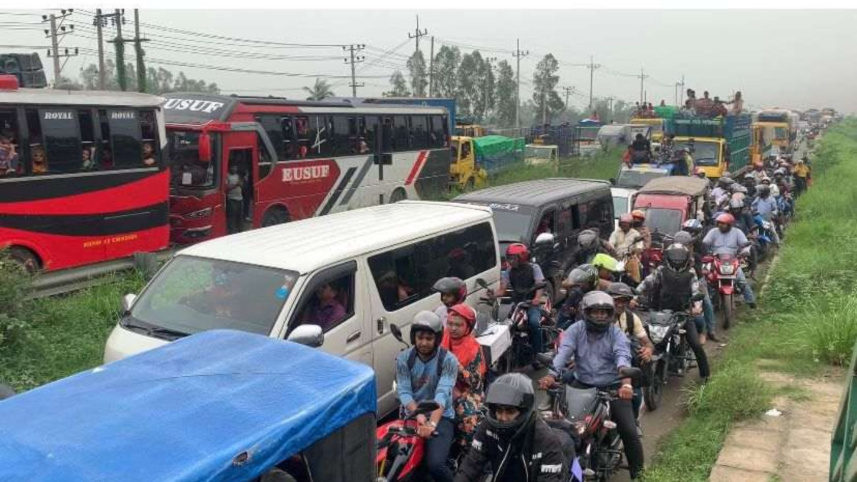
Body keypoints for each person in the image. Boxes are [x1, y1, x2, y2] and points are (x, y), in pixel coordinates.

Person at [538, 291, 644, 480]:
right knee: (562, 426)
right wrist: (551, 376)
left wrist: (625, 385)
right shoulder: (576, 330)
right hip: (581, 386)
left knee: (629, 431)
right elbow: (563, 353)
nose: (600, 316)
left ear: (610, 313)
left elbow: (623, 357)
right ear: (586, 312)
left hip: (611, 388)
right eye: (595, 312)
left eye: (604, 312)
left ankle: (640, 474)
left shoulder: (616, 333)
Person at [455, 373, 568, 482]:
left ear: (524, 411)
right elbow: (471, 465)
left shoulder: (546, 441)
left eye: (510, 411)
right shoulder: (488, 426)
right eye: (499, 410)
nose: (503, 417)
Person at [396, 311, 458, 482]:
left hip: (441, 416)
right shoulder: (403, 359)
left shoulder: (448, 360)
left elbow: (443, 394)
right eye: (419, 337)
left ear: (437, 339)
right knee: (395, 461)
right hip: (411, 413)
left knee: (435, 465)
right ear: (413, 337)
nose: (423, 342)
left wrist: (431, 423)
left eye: (429, 338)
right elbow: (404, 391)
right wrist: (418, 414)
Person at [634, 243, 710, 381]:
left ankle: (705, 375)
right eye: (674, 256)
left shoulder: (691, 273)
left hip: (683, 314)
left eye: (680, 256)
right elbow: (646, 283)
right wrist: (634, 296)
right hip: (661, 314)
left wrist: (697, 307)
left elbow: (696, 290)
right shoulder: (661, 270)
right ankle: (639, 377)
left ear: (686, 257)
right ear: (667, 257)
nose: (677, 259)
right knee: (645, 341)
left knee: (696, 345)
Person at [441, 304, 486, 451]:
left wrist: (458, 367)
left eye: (458, 325)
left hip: (466, 391)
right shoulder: (440, 339)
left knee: (469, 420)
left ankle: (471, 455)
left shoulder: (473, 348)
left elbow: (474, 381)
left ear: (468, 326)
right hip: (441, 387)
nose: (453, 328)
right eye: (450, 324)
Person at [607, 282, 654, 421]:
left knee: (636, 396)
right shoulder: (594, 317)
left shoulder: (631, 318)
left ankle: (634, 424)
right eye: (616, 300)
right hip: (598, 366)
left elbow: (647, 342)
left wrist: (648, 350)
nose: (620, 304)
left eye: (624, 301)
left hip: (624, 369)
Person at [496, 243, 545, 357]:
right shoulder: (509, 271)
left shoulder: (534, 268)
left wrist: (536, 298)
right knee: (504, 324)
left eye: (512, 258)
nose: (510, 261)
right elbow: (502, 290)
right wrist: (491, 294)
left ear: (521, 257)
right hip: (517, 304)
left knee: (533, 324)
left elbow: (540, 284)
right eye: (509, 258)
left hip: (531, 303)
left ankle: (539, 354)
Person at [702, 213, 757, 309]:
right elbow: (705, 242)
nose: (720, 225)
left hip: (732, 259)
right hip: (716, 259)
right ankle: (708, 303)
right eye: (719, 223)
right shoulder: (713, 232)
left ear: (729, 224)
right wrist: (706, 249)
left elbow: (744, 243)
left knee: (741, 280)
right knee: (707, 279)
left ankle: (751, 301)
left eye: (723, 224)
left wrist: (745, 248)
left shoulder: (737, 232)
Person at [557, 264, 598, 330]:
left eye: (585, 282)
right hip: (572, 326)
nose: (582, 284)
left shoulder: (596, 295)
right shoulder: (576, 293)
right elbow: (565, 312)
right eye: (582, 282)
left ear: (591, 282)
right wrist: (572, 312)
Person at [226, 163, 244, 234]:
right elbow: (226, 188)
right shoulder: (227, 176)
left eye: (236, 168)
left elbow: (242, 186)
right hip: (232, 199)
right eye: (233, 167)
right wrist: (236, 185)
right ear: (230, 168)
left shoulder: (238, 176)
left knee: (240, 215)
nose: (235, 169)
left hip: (240, 198)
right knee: (232, 216)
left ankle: (240, 230)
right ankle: (232, 231)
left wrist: (241, 183)